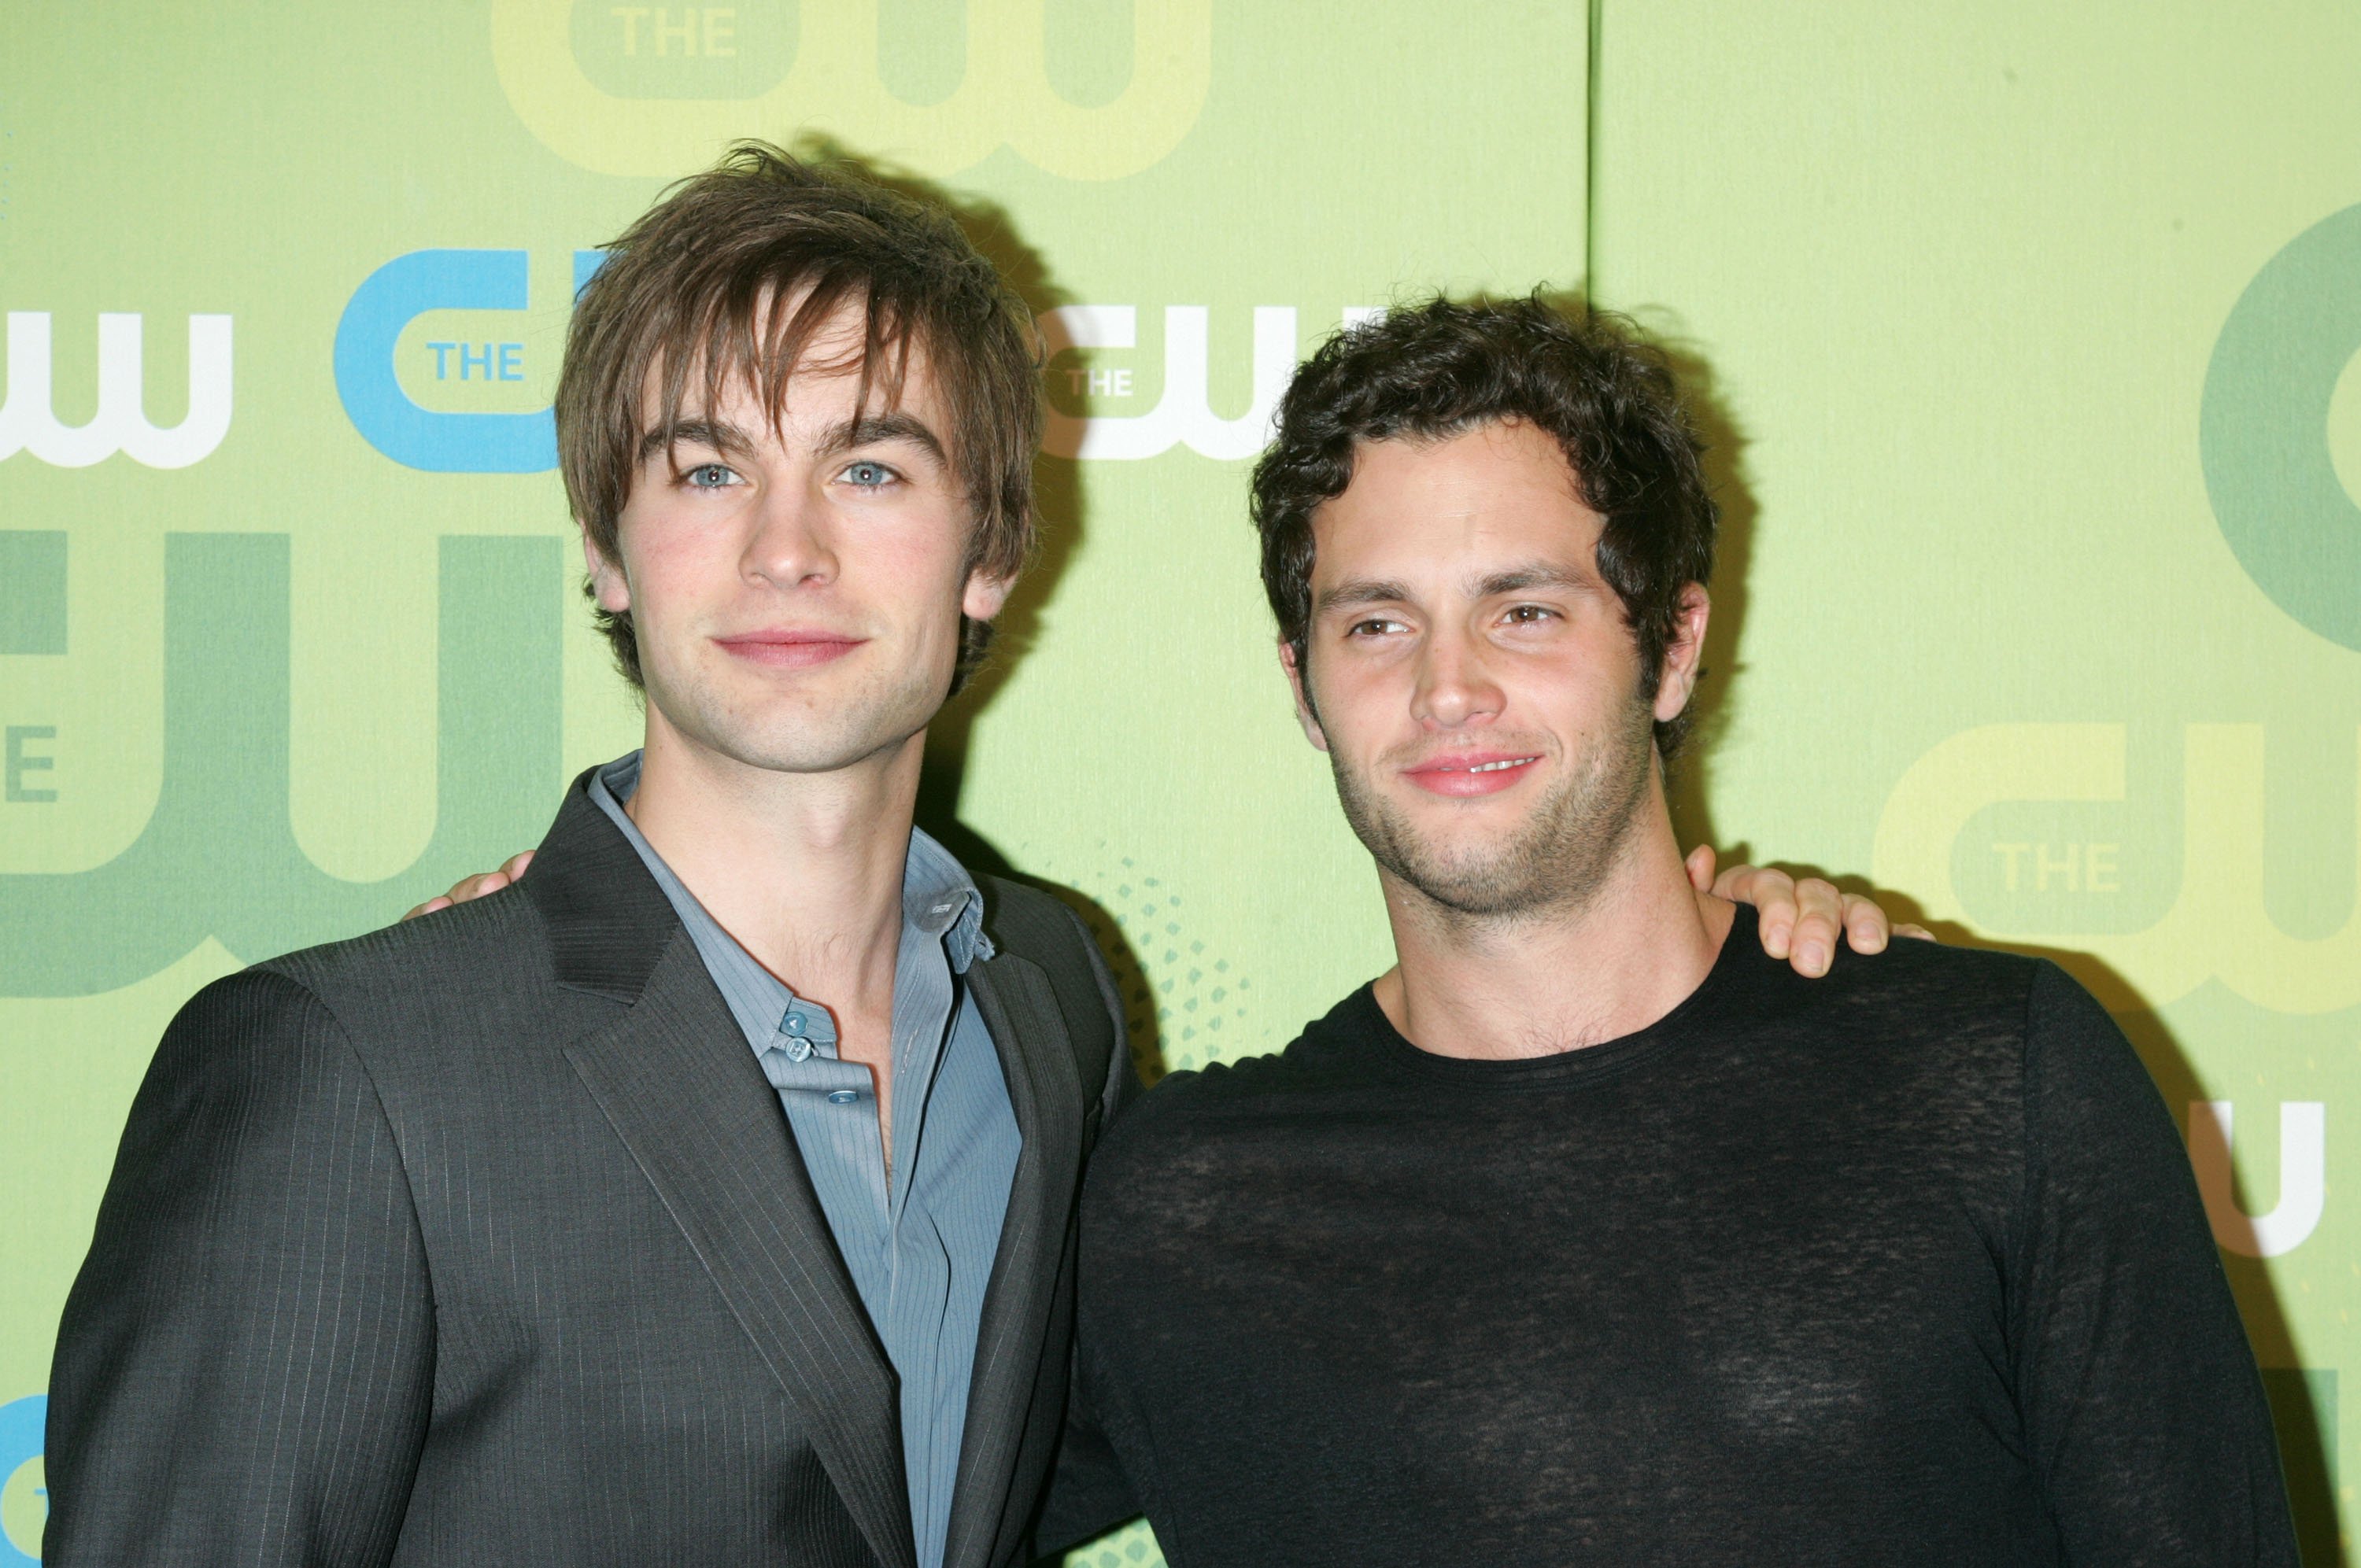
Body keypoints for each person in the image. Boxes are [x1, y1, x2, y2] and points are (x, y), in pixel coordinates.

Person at [44, 149, 1895, 1566]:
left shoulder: (1055, 1009)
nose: (784, 548)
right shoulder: (354, 1072)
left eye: (869, 468)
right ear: (606, 552)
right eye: (702, 470)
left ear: (989, 550)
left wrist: (1717, 962)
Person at [1036, 296, 2300, 1566]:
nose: (1449, 684)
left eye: (1524, 609)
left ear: (1675, 646)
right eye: (1376, 623)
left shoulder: (1991, 1081)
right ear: (1304, 687)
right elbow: (856, 1485)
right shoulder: (1177, 1205)